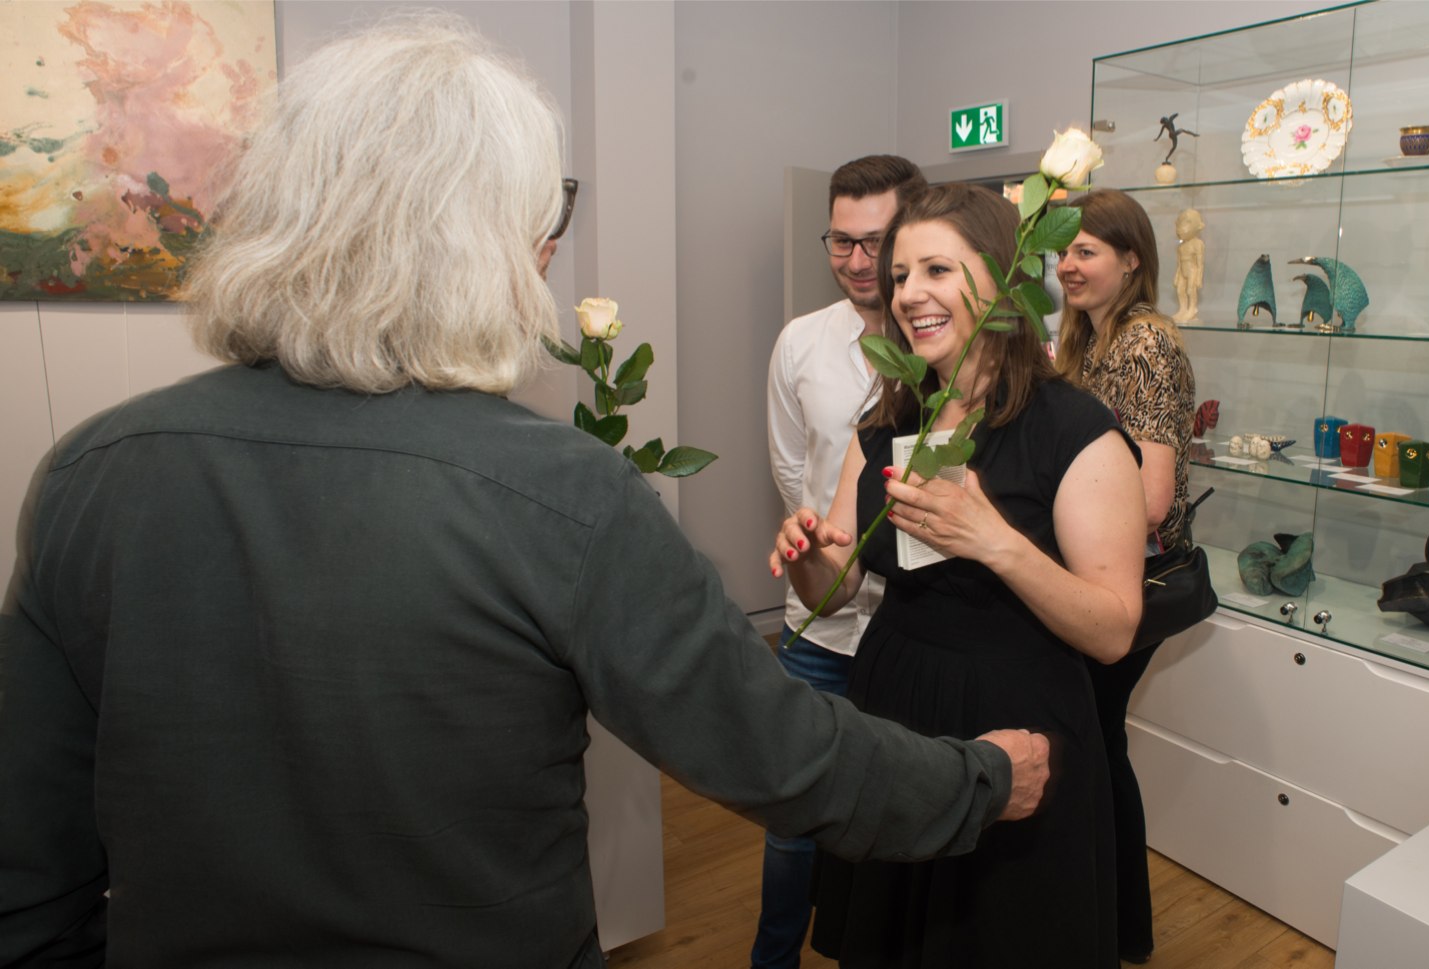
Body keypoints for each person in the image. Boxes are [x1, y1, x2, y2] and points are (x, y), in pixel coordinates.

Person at [0, 19, 1055, 969]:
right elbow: (775, 753)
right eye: (548, 212)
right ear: (483, 239)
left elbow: (29, 861)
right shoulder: (559, 494)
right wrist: (978, 779)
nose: (551, 246)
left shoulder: (94, 472)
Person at [771, 183, 1147, 969]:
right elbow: (839, 585)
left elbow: (1114, 630)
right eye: (900, 275)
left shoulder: (1073, 430)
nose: (908, 293)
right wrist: (808, 554)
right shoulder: (887, 426)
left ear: (1002, 276)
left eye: (935, 269)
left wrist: (996, 542)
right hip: (893, 706)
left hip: (1014, 724)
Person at [759, 153, 925, 969]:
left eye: (876, 241)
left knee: (899, 813)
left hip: (913, 633)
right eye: (840, 240)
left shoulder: (947, 344)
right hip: (818, 629)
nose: (858, 261)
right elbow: (793, 471)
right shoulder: (801, 341)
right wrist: (822, 563)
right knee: (794, 820)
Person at [1054, 187, 1198, 966]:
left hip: (1126, 579)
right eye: (1062, 251)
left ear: (1131, 258)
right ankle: (1111, 924)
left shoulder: (1142, 344)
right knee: (1097, 742)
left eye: (1085, 251)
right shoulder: (1084, 339)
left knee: (1096, 744)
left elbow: (1149, 499)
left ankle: (1116, 928)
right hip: (1095, 571)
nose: (1066, 265)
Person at [1171, 207, 1204, 324]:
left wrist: (1199, 277)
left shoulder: (1198, 244)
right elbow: (1179, 264)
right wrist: (1177, 276)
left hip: (1192, 271)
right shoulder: (1180, 247)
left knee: (1190, 290)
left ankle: (1192, 309)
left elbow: (1200, 263)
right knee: (1180, 290)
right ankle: (1183, 309)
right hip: (1182, 271)